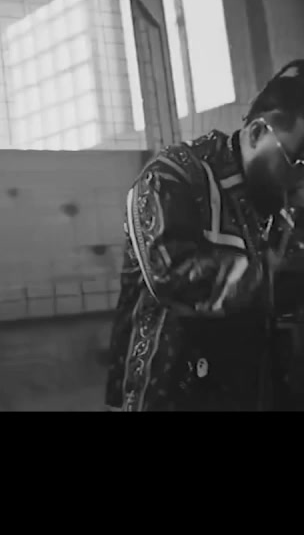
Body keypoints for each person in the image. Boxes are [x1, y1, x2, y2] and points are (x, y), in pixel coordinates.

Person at [105, 60, 304, 412]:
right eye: (298, 161)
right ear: (257, 133)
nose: (300, 179)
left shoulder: (280, 203)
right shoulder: (172, 177)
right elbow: (172, 274)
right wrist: (280, 279)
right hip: (164, 392)